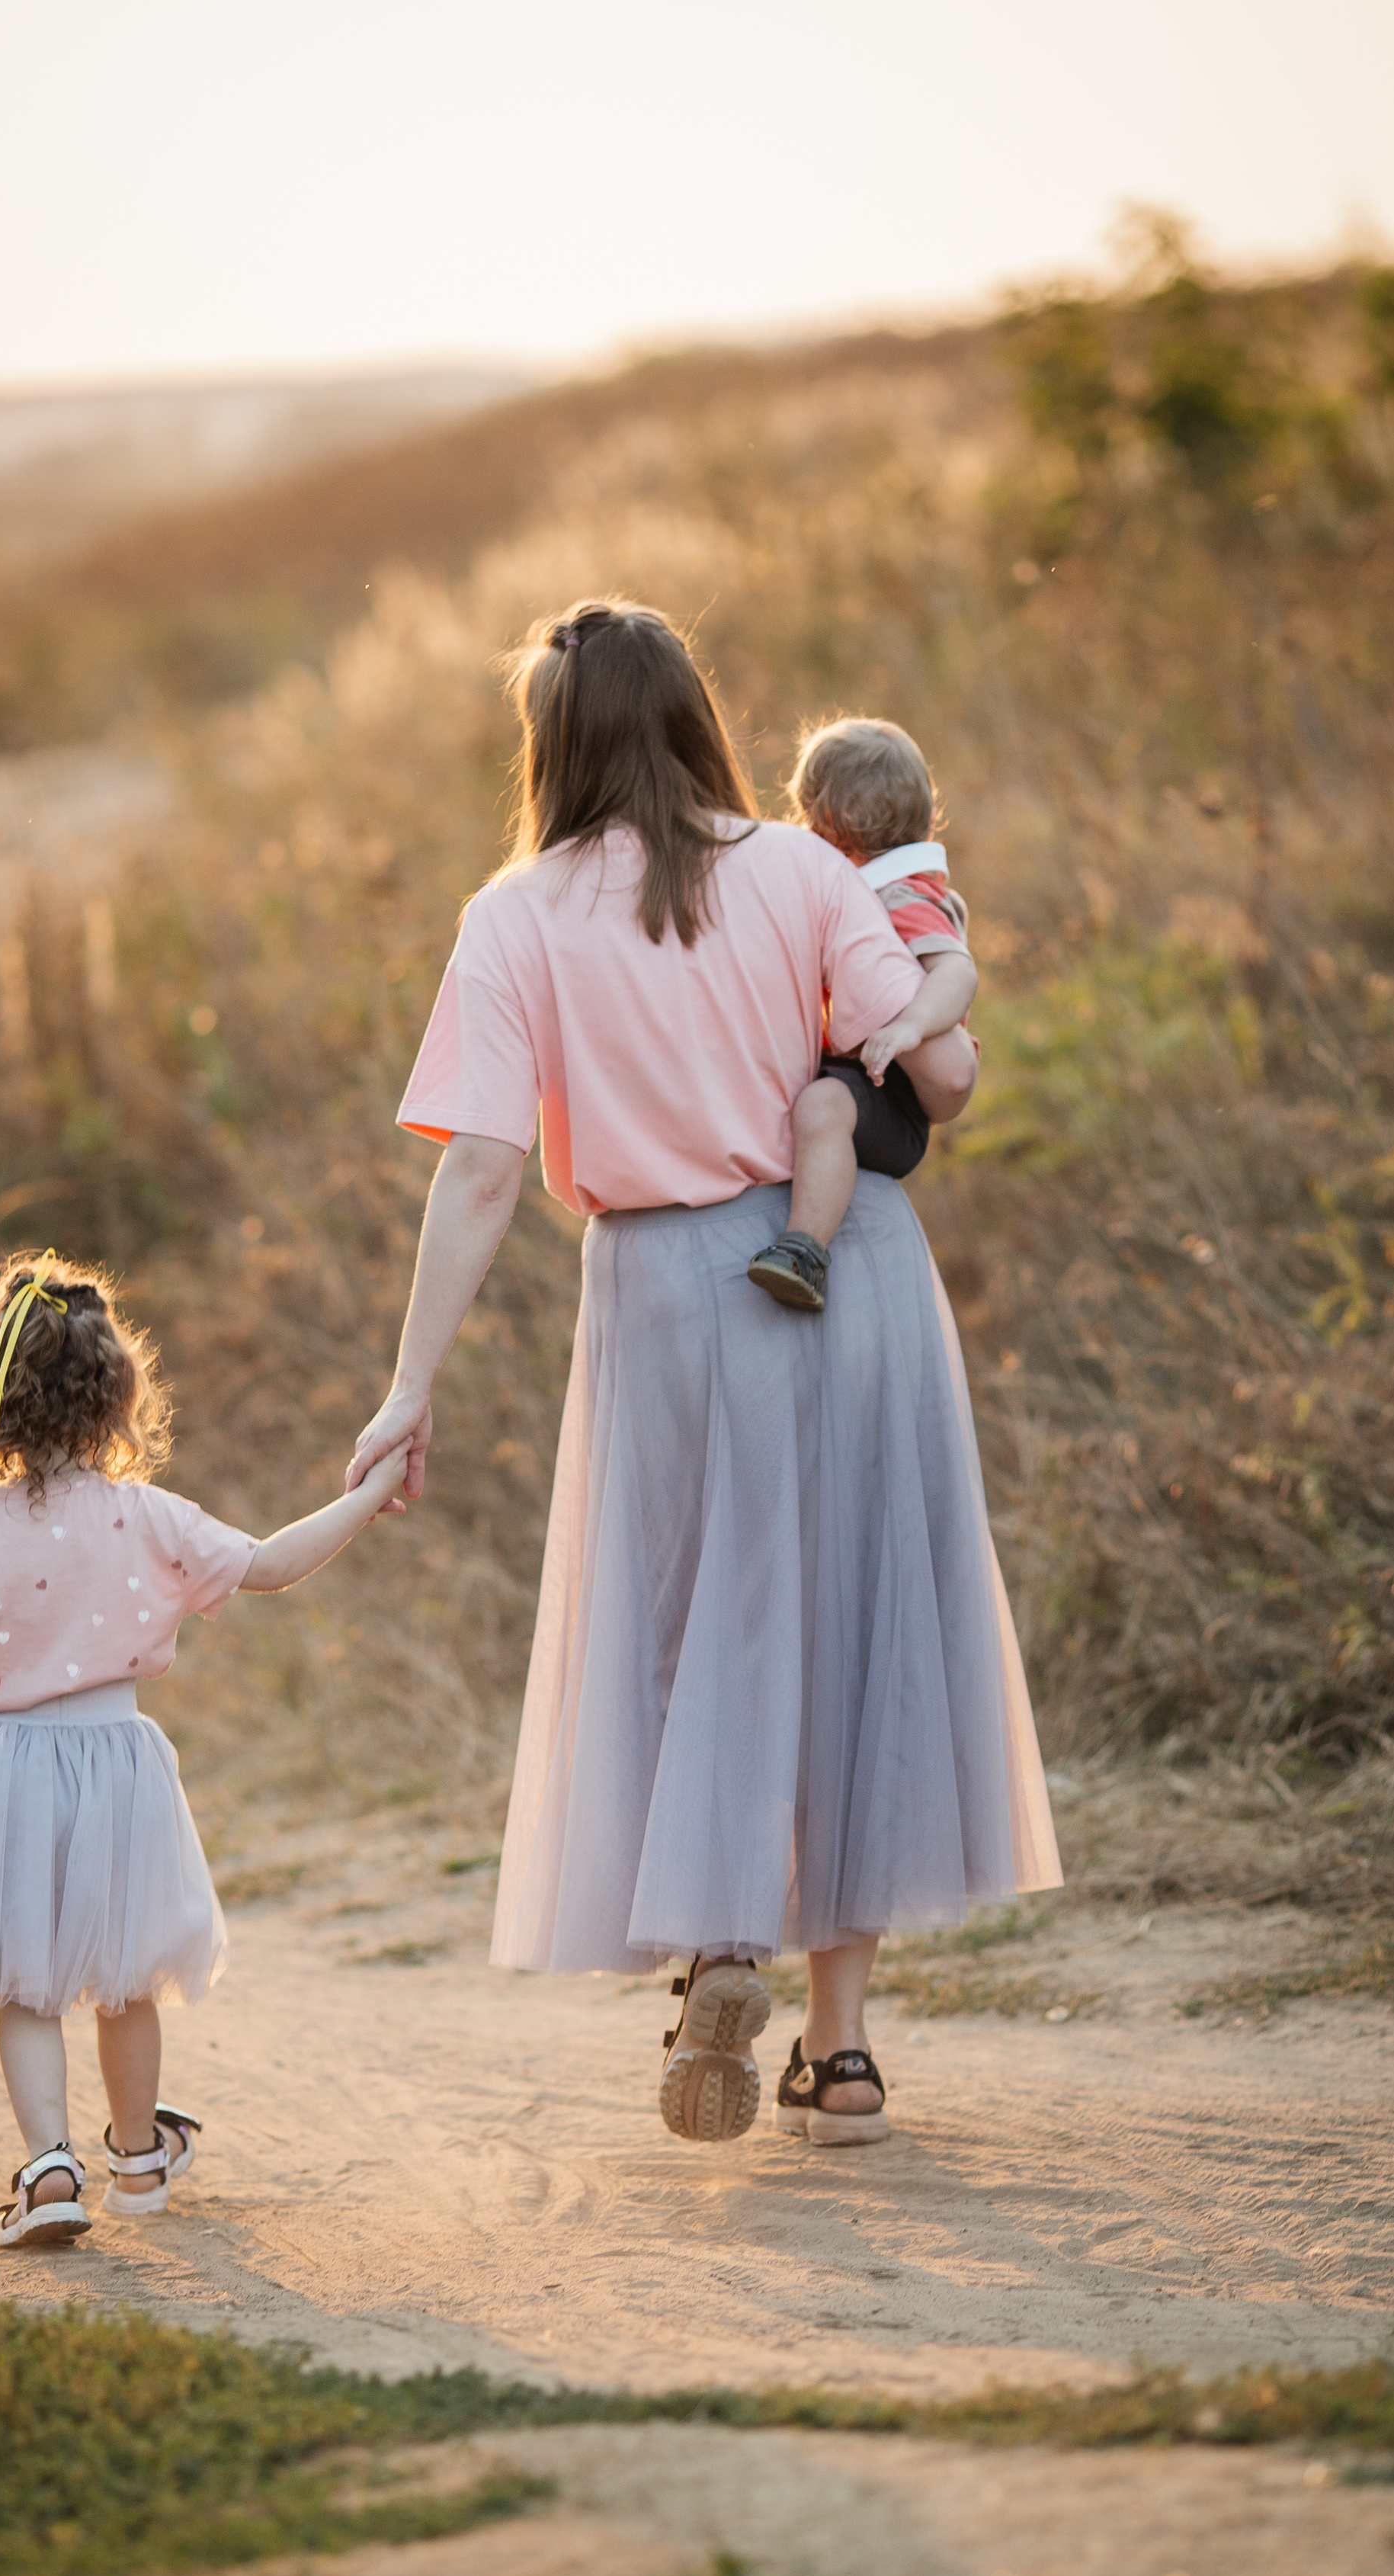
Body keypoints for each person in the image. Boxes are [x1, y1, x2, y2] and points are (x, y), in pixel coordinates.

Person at [348, 599, 1062, 2151]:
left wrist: (410, 1386)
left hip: (669, 1287)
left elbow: (478, 1169)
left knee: (692, 1626)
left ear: (547, 741)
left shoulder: (513, 916)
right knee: (847, 1630)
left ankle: (718, 1937)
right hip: (849, 1268)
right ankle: (845, 2054)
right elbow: (938, 1070)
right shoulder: (804, 868)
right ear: (692, 716)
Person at [0, 1251, 408, 2247]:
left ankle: (51, 2168)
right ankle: (138, 2164)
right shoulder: (148, 1516)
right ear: (116, 1400)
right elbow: (268, 1565)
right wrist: (366, 1495)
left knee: (27, 1985)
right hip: (116, 1766)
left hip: (3, 1771)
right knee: (123, 1977)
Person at [748, 715, 980, 1313]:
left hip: (893, 1089)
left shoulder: (900, 895)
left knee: (821, 1106)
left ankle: (804, 1251)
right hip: (866, 1077)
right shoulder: (862, 888)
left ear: (828, 831)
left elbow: (956, 970)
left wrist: (910, 1026)